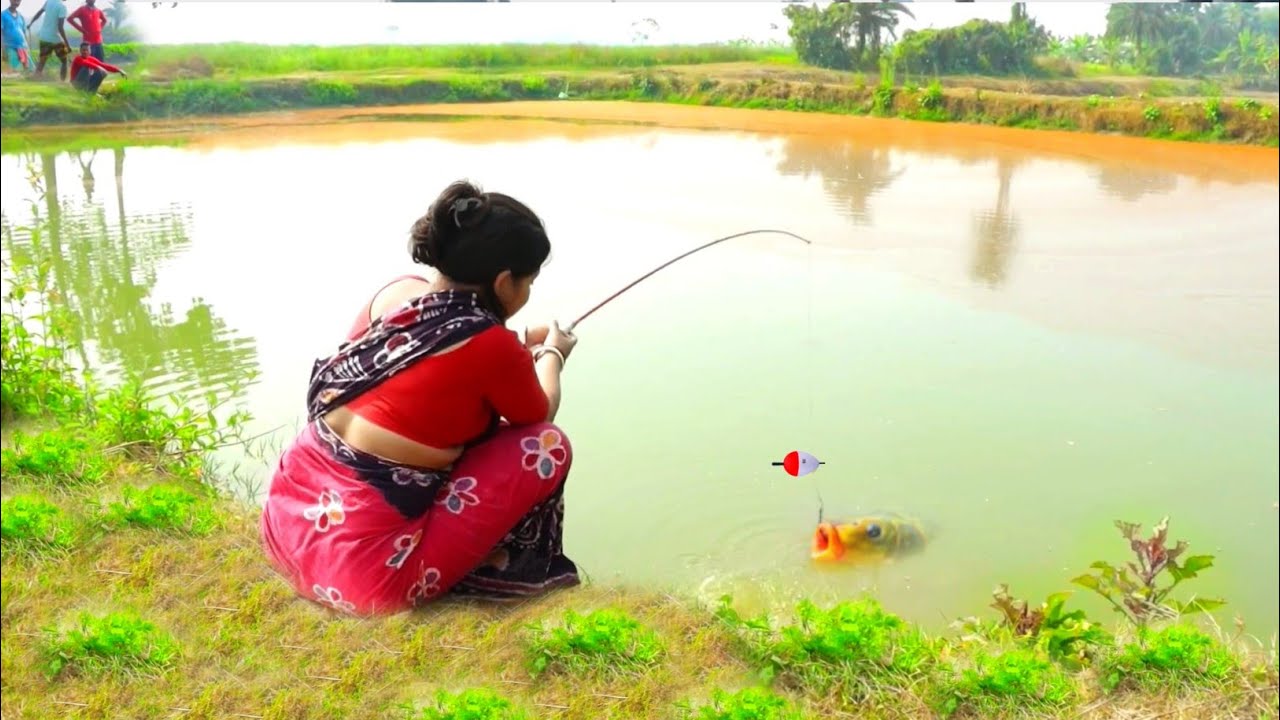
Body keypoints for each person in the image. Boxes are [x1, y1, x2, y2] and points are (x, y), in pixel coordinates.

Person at [260, 180, 582, 616]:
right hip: (365, 579)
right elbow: (537, 412)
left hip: (286, 526)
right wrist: (551, 355)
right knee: (546, 446)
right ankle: (499, 565)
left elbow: (415, 379)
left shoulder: (396, 295)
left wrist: (512, 359)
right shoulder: (490, 344)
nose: (525, 293)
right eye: (528, 281)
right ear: (504, 282)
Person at [30, 0, 70, 80]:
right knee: (64, 61)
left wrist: (31, 23)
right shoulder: (62, 7)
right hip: (55, 38)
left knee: (42, 61)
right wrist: (67, 44)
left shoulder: (49, 1)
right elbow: (60, 27)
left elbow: (39, 13)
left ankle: (35, 79)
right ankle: (62, 82)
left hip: (44, 36)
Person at [2, 0, 34, 73]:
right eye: (14, 0)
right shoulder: (3, 15)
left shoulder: (21, 16)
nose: (16, 2)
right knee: (16, 69)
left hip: (22, 47)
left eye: (18, 1)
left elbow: (23, 32)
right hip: (9, 46)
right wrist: (3, 48)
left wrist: (27, 47)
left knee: (31, 70)